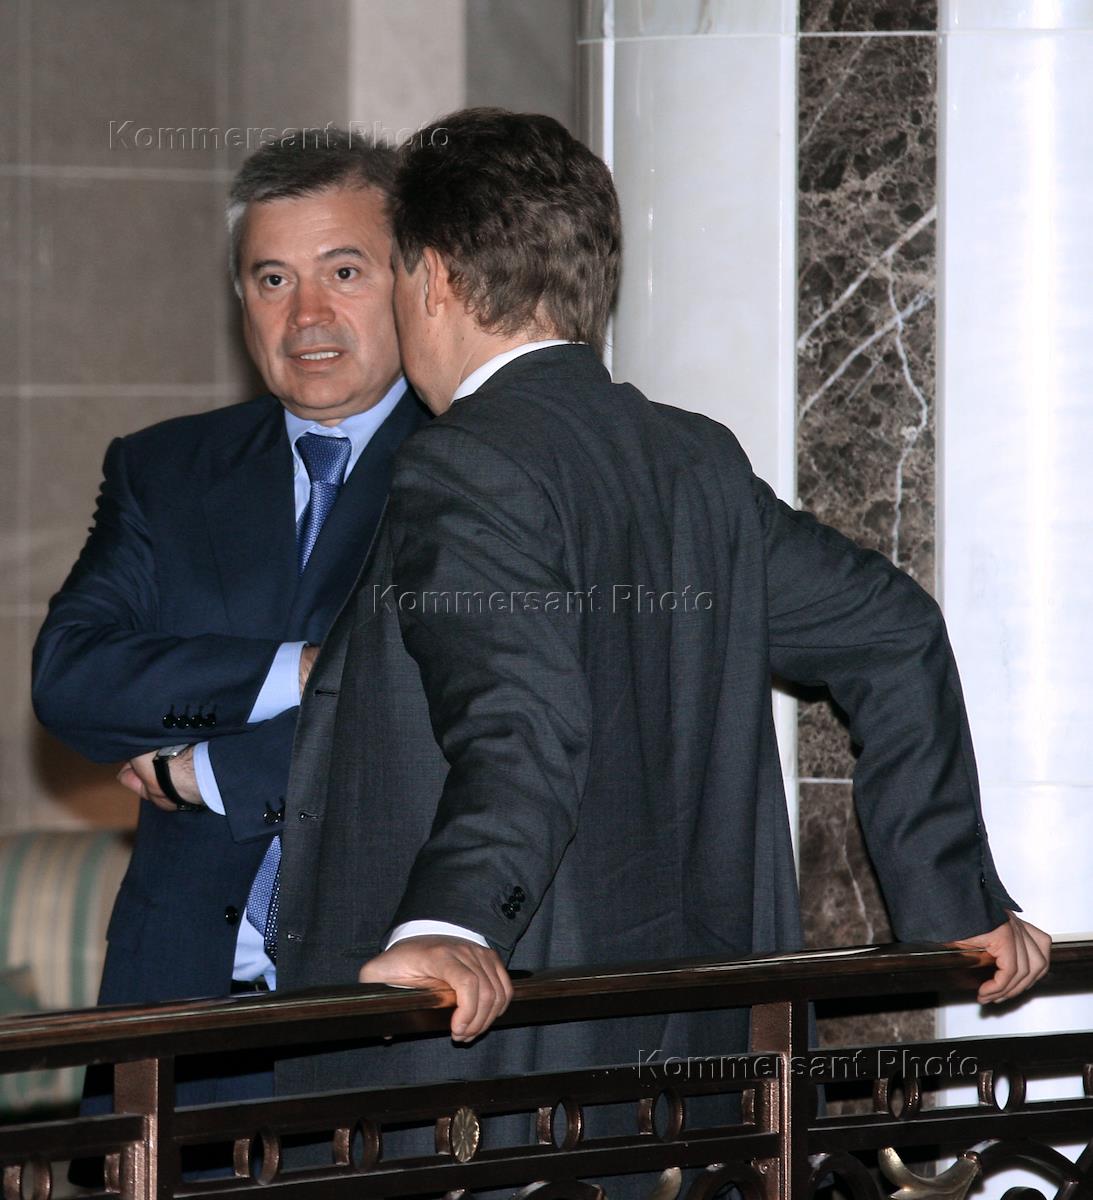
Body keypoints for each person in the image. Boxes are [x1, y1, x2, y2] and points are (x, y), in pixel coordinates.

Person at [276, 107, 1049, 1145]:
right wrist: (951, 901)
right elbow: (892, 630)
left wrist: (453, 924)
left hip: (495, 1090)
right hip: (696, 1063)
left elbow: (521, 724)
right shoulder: (692, 461)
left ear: (437, 279)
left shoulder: (463, 463)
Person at [31, 129, 428, 1112]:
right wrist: (299, 670)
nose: (307, 315)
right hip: (177, 1016)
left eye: (343, 271)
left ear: (413, 281)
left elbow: (434, 711)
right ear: (239, 299)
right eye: (271, 279)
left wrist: (201, 769)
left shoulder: (477, 466)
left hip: (391, 1016)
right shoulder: (165, 469)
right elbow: (72, 678)